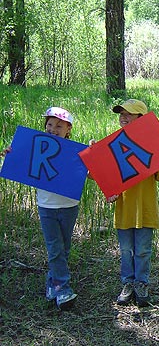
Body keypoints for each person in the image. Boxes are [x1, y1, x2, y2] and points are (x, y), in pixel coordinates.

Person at [1, 107, 80, 310]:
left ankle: (52, 283)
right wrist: (11, 153)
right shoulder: (37, 146)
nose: (53, 129)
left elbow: (88, 174)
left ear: (68, 129)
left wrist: (93, 156)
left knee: (64, 247)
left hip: (69, 206)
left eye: (59, 126)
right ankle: (63, 289)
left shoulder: (74, 151)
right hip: (47, 206)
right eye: (50, 124)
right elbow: (22, 163)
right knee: (54, 247)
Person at [107, 99, 159, 307]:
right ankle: (127, 283)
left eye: (130, 114)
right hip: (124, 207)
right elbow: (106, 174)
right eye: (121, 114)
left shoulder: (152, 144)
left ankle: (141, 283)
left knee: (143, 250)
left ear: (142, 119)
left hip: (144, 208)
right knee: (126, 250)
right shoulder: (114, 144)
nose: (124, 117)